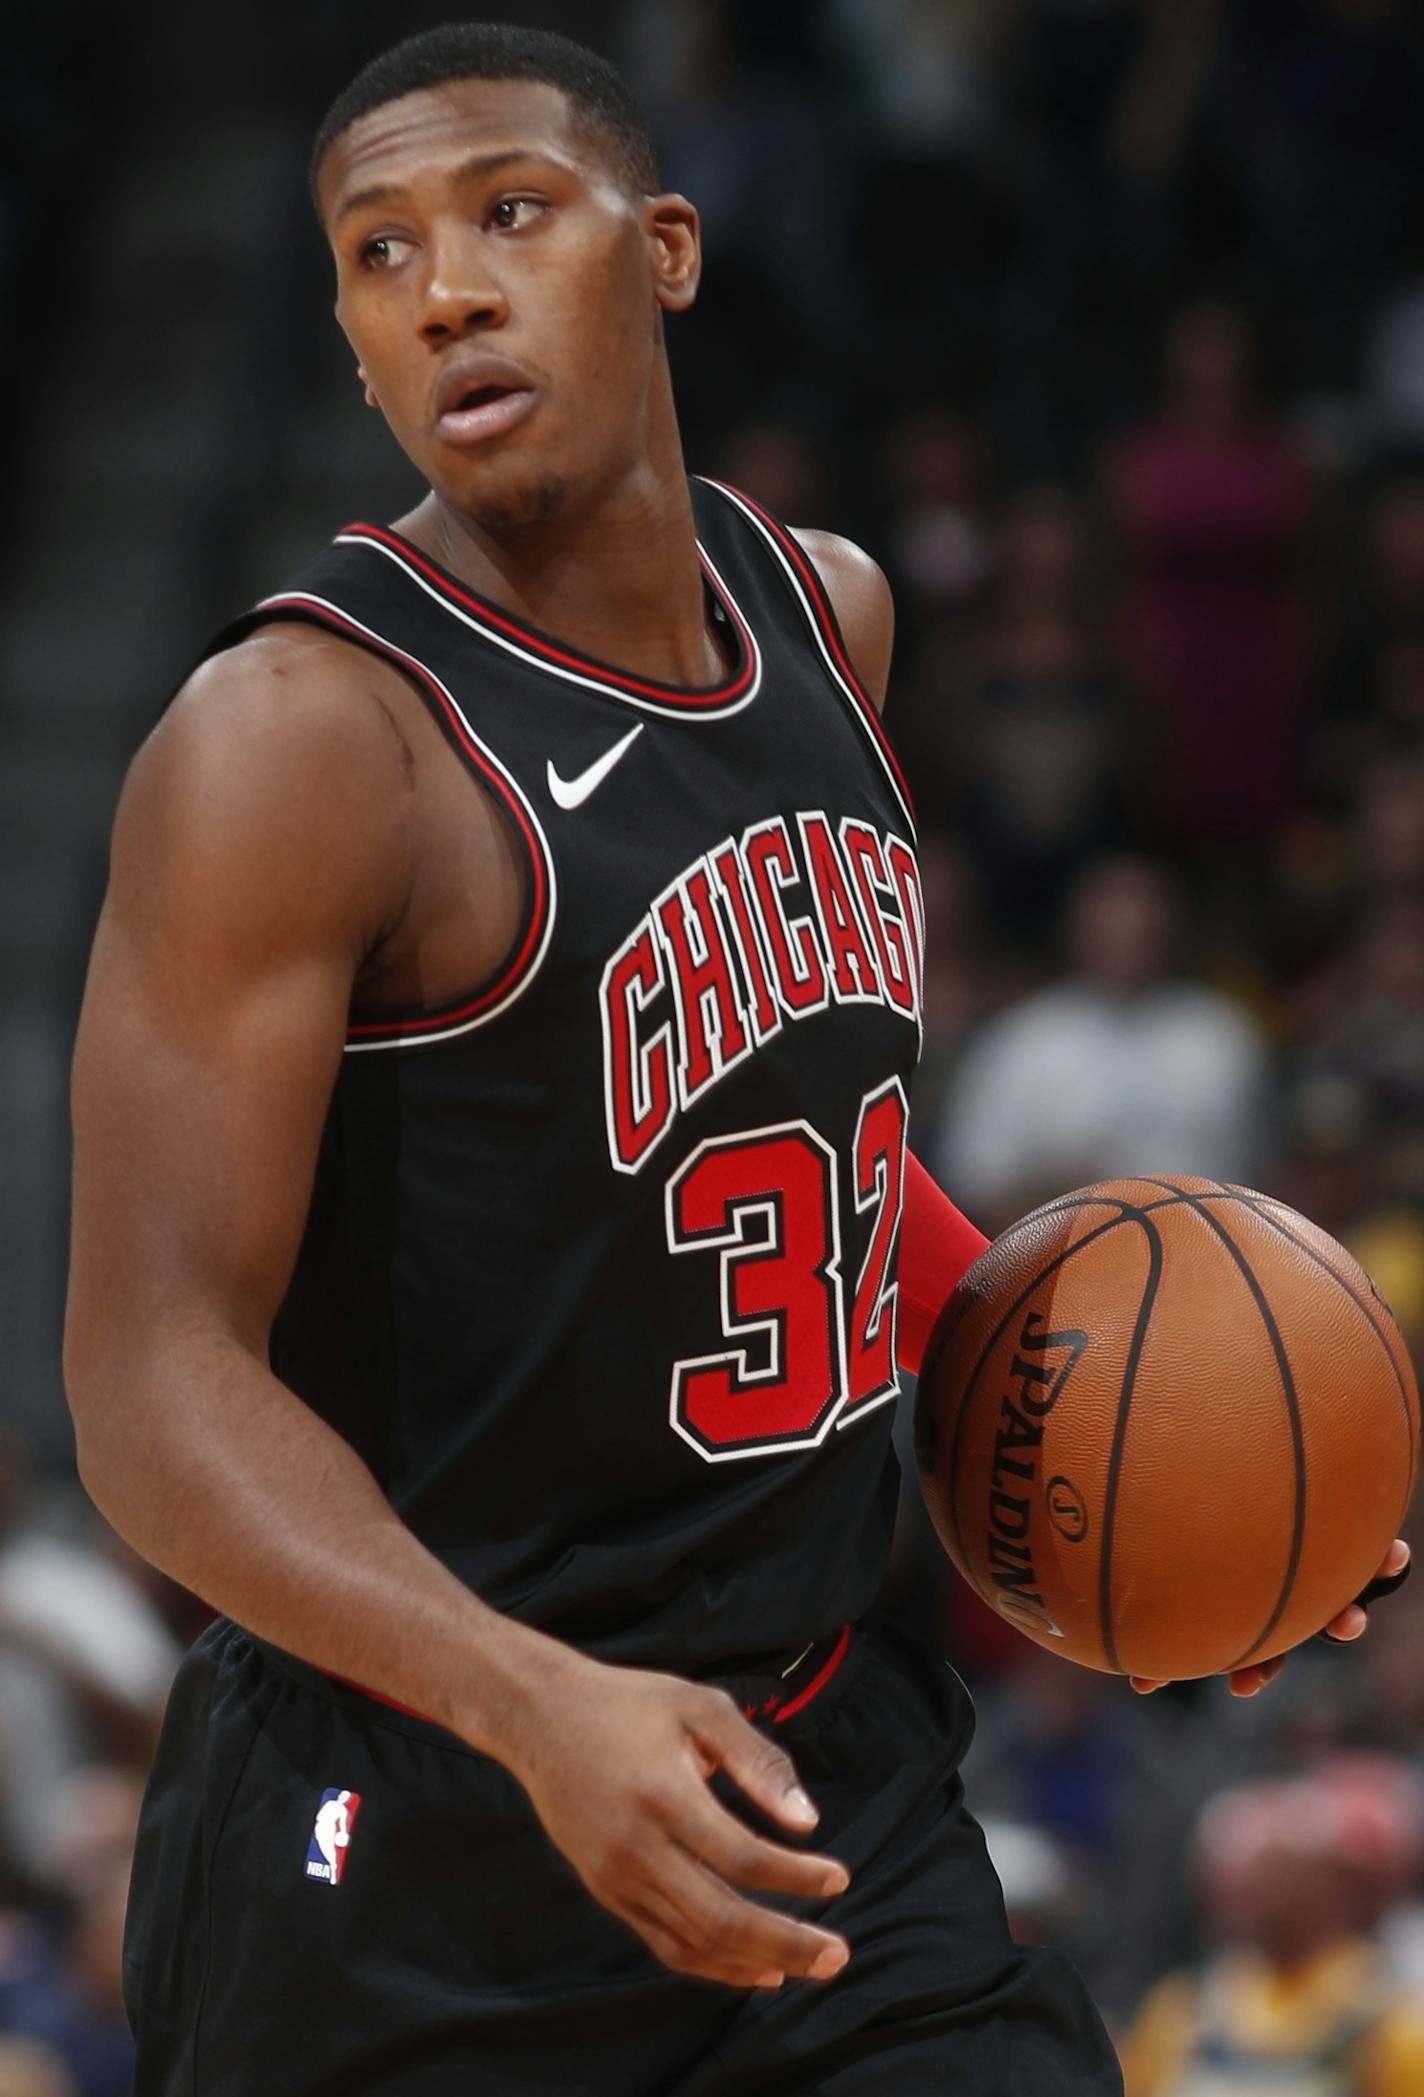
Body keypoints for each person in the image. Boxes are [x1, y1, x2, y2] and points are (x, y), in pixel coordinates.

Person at [62, 25, 1403, 2096]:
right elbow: (147, 1384)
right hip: (408, 1835)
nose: (448, 288)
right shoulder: (299, 744)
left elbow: (802, 1142)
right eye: (376, 252)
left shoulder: (823, 613)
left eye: (513, 210)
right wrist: (527, 1700)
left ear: (664, 249)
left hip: (808, 1771)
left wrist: (1182, 1447)